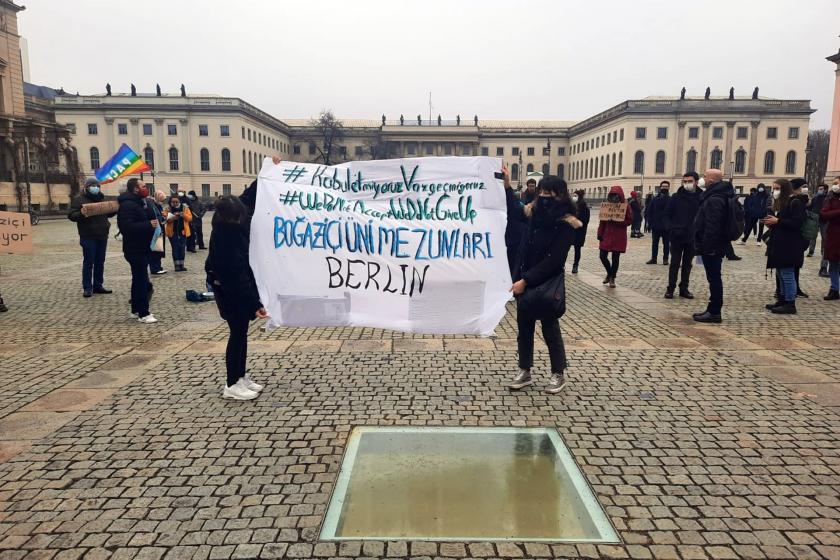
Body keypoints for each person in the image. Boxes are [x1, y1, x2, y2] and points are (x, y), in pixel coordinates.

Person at [504, 169, 579, 394]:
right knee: (524, 330)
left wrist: (525, 281)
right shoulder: (532, 214)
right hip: (524, 281)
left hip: (545, 283)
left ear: (561, 195)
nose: (545, 197)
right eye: (542, 192)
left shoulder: (567, 224)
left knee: (550, 330)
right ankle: (524, 370)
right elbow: (513, 210)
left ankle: (558, 373)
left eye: (551, 193)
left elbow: (554, 261)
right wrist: (507, 187)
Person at [206, 196, 268, 400]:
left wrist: (271, 165)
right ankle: (232, 383)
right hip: (229, 291)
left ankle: (240, 376)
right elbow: (237, 275)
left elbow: (253, 191)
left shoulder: (230, 225)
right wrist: (254, 303)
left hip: (234, 289)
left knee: (241, 334)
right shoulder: (226, 239)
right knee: (237, 335)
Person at [692, 169, 733, 323]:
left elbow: (712, 226)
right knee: (713, 278)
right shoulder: (716, 195)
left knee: (714, 278)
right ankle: (712, 309)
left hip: (712, 246)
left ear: (712, 180)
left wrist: (707, 247)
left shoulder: (715, 199)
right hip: (714, 244)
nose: (703, 178)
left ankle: (715, 311)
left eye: (705, 176)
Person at [763, 178, 807, 314]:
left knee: (787, 274)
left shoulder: (795, 202)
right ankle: (782, 299)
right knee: (781, 273)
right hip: (780, 242)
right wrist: (771, 222)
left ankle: (790, 303)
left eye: (777, 188)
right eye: (773, 188)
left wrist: (778, 221)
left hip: (790, 244)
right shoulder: (780, 203)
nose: (775, 191)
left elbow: (797, 223)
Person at [117, 178, 158, 324]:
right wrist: (148, 224)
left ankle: (135, 309)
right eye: (143, 186)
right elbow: (126, 227)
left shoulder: (140, 202)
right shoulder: (128, 205)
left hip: (142, 247)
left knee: (138, 279)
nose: (145, 188)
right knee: (142, 280)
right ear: (135, 189)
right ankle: (143, 313)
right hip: (135, 248)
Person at [68, 178, 115, 298]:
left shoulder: (102, 198)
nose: (96, 188)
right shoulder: (79, 199)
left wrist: (114, 209)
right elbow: (71, 215)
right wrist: (81, 213)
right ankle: (87, 287)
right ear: (87, 187)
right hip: (88, 235)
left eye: (97, 186)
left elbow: (107, 213)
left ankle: (98, 285)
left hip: (102, 234)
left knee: (100, 261)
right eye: (93, 186)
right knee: (89, 261)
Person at [663, 172, 702, 299]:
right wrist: (671, 229)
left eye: (689, 181)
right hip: (677, 236)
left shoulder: (701, 197)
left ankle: (684, 288)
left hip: (692, 236)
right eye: (685, 181)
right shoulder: (676, 197)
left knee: (687, 264)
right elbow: (667, 215)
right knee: (674, 262)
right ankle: (670, 288)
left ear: (696, 181)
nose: (687, 184)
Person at [597, 186, 633, 288]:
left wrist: (618, 221)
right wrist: (600, 233)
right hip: (607, 235)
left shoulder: (625, 206)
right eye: (612, 195)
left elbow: (629, 220)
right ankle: (609, 273)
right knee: (602, 256)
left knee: (615, 258)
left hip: (618, 236)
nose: (614, 198)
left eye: (616, 196)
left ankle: (612, 278)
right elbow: (602, 222)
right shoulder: (606, 206)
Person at [820, 177, 840, 300]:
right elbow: (824, 213)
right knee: (833, 264)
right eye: (833, 184)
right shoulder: (831, 198)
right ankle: (834, 289)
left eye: (837, 183)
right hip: (833, 235)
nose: (834, 186)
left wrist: (833, 214)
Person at [163, 195, 193, 272]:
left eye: (176, 202)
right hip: (172, 232)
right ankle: (177, 265)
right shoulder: (168, 208)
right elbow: (164, 219)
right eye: (173, 202)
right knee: (175, 248)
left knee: (182, 248)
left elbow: (190, 218)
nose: (175, 203)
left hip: (183, 232)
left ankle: (181, 265)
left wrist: (183, 215)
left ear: (179, 201)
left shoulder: (185, 208)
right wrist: (172, 218)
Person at [645, 181, 671, 265]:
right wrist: (650, 222)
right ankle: (654, 258)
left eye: (666, 186)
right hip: (655, 225)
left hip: (666, 226)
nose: (664, 188)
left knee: (666, 244)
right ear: (660, 187)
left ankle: (665, 259)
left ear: (669, 188)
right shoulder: (655, 199)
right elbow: (649, 211)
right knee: (654, 243)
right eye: (663, 186)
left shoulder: (671, 199)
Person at [149, 190, 167, 275]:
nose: (162, 202)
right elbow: (155, 216)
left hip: (160, 229)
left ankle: (158, 267)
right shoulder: (152, 205)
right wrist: (162, 218)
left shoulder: (158, 205)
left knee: (159, 249)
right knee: (156, 249)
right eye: (161, 200)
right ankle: (155, 268)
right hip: (156, 230)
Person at [571, 189, 590, 274]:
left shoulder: (584, 207)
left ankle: (575, 265)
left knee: (577, 249)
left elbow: (585, 220)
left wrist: (576, 219)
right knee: (566, 248)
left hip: (579, 231)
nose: (573, 197)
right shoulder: (572, 205)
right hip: (571, 230)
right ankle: (563, 264)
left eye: (575, 195)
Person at [807, 183, 827, 258]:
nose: (820, 190)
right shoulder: (815, 198)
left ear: (825, 190)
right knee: (813, 236)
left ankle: (823, 251)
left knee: (824, 236)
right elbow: (810, 207)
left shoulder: (828, 198)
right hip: (815, 219)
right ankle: (811, 251)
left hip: (824, 220)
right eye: (819, 189)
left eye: (821, 189)